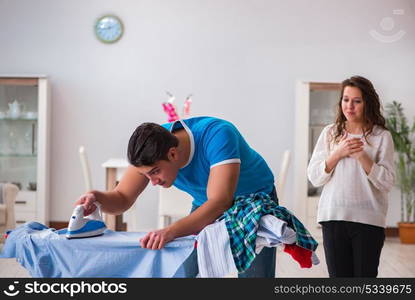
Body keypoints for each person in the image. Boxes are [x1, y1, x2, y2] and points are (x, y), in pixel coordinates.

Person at [75, 116, 279, 277]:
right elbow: (122, 198)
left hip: (255, 199)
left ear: (173, 154)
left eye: (155, 172)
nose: (152, 181)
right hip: (206, 203)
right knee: (183, 270)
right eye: (146, 175)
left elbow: (220, 202)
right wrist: (97, 197)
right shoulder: (150, 149)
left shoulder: (217, 134)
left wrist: (170, 231)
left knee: (254, 277)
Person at [307, 76, 395, 277]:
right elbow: (314, 176)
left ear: (367, 103)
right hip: (333, 217)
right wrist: (337, 153)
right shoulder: (330, 133)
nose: (350, 106)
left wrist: (363, 157)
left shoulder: (381, 136)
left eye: (357, 101)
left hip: (369, 220)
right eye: (346, 100)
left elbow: (387, 181)